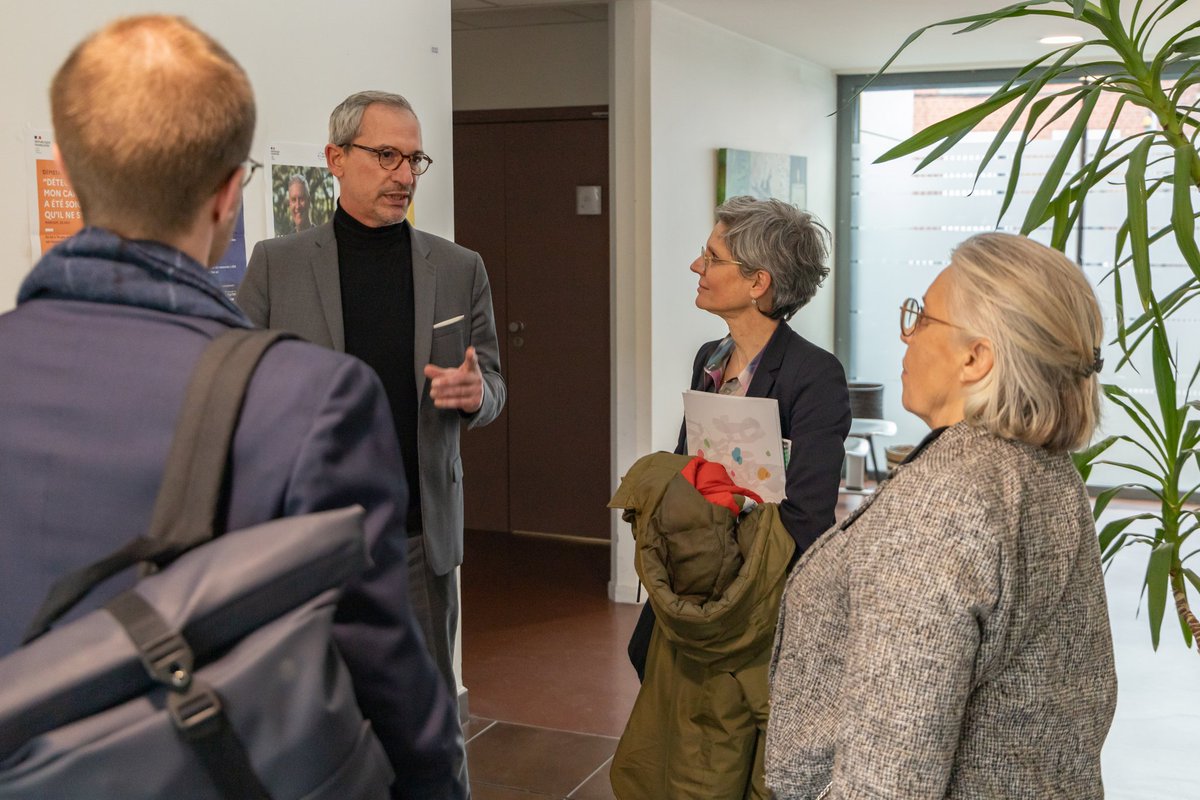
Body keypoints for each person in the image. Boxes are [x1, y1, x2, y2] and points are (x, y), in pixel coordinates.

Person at [0, 16, 461, 798]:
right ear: (226, 195)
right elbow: (387, 691)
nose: (403, 171)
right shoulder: (308, 398)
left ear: (75, 176)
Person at [766, 233, 1118, 799]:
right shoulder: (1042, 470)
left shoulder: (945, 503)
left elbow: (890, 778)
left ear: (976, 358)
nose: (906, 336)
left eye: (922, 319)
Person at [237, 90, 506, 796]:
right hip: (310, 533)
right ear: (335, 159)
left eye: (413, 158)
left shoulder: (458, 267)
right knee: (315, 711)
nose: (404, 174)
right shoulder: (276, 264)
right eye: (385, 155)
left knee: (429, 711)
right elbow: (238, 384)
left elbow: (496, 385)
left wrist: (477, 397)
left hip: (418, 535)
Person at [612, 197, 850, 798]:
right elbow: (685, 470)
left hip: (757, 595)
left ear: (756, 283)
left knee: (743, 739)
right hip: (693, 574)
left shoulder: (812, 375)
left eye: (711, 257)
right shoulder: (708, 360)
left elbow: (808, 516)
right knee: (656, 677)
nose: (697, 266)